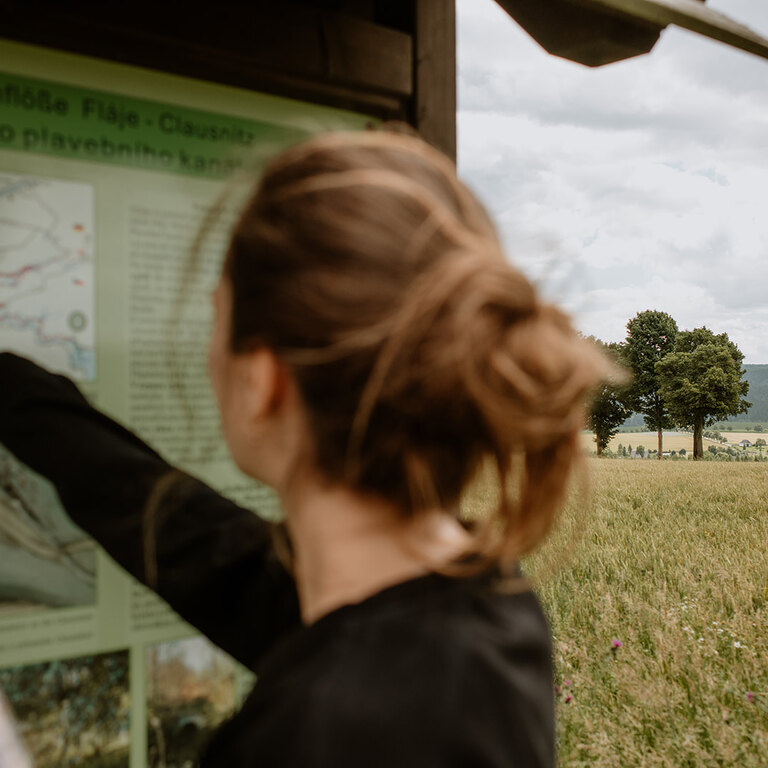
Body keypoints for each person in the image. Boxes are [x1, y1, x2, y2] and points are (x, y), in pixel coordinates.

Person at [0, 130, 611, 766]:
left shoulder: (310, 734)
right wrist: (18, 394)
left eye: (218, 316)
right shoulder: (483, 601)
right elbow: (205, 552)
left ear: (262, 380)